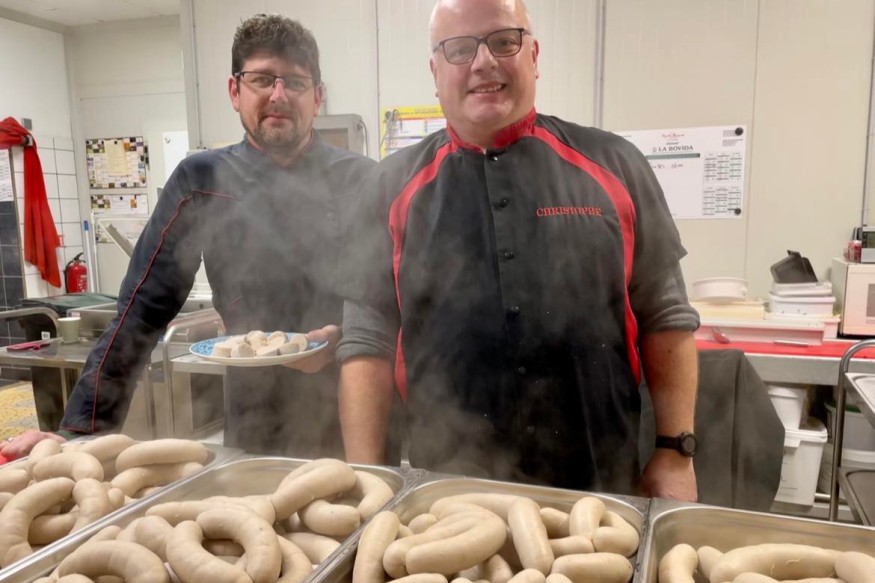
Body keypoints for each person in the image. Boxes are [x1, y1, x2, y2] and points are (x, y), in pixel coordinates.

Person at [337, 0, 700, 500]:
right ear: (435, 70)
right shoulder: (390, 188)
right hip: (448, 496)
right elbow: (366, 342)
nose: (483, 62)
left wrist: (674, 451)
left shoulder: (615, 164)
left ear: (533, 55)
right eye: (459, 48)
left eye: (503, 41)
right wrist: (367, 476)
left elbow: (666, 316)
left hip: (600, 487)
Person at [1, 14, 374, 460]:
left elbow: (400, 301)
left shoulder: (364, 181)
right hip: (254, 418)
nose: (278, 95)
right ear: (235, 91)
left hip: (357, 405)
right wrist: (78, 431)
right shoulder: (201, 180)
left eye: (294, 81)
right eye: (261, 79)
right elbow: (139, 311)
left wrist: (344, 336)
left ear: (318, 96)